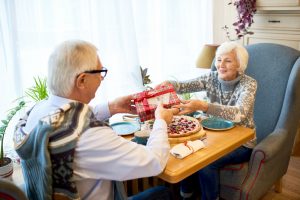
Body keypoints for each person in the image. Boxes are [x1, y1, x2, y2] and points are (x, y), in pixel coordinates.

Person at [14, 39, 178, 200]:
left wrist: (111, 107)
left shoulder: (38, 111)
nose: (101, 78)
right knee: (164, 193)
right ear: (82, 80)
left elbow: (69, 120)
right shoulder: (91, 135)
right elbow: (155, 162)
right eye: (100, 72)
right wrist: (161, 121)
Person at [161, 41, 257, 200]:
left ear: (240, 64)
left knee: (206, 163)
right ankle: (187, 195)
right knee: (187, 153)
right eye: (219, 59)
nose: (221, 65)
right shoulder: (211, 77)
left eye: (228, 60)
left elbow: (239, 114)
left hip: (242, 143)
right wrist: (169, 84)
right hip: (213, 135)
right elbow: (184, 86)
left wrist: (205, 106)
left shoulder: (249, 84)